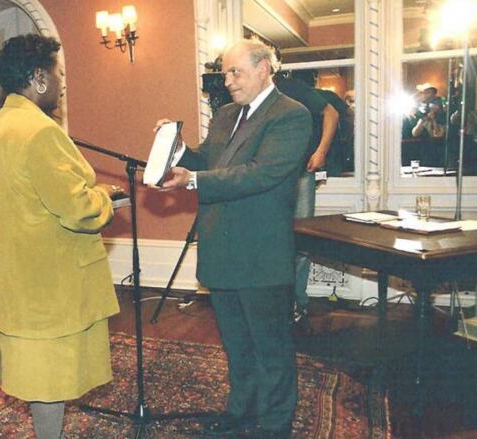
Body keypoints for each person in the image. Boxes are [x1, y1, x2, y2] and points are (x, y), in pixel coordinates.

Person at [158, 38, 311, 439]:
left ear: (264, 69)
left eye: (235, 72)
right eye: (224, 72)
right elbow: (209, 160)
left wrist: (193, 180)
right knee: (237, 345)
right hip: (221, 249)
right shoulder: (226, 115)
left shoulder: (292, 116)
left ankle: (276, 425)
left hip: (261, 254)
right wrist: (176, 151)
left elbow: (260, 173)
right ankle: (240, 411)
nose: (226, 81)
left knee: (271, 349)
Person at [0, 34, 121, 439]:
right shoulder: (39, 131)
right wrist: (106, 199)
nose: (62, 83)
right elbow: (78, 209)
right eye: (59, 74)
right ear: (39, 78)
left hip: (21, 278)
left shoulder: (2, 127)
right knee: (48, 380)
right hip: (49, 284)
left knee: (41, 379)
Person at [272, 57, 339, 332]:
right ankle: (275, 306)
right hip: (269, 177)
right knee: (273, 242)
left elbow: (331, 113)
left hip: (300, 175)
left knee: (299, 242)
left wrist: (321, 151)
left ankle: (297, 304)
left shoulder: (291, 88)